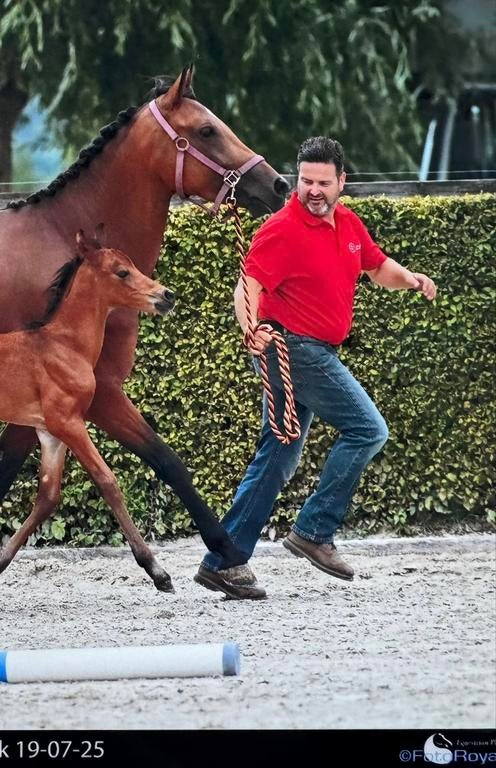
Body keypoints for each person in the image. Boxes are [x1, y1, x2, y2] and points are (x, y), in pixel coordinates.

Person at [194, 136, 438, 600]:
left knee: (277, 456)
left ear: (342, 182)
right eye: (306, 180)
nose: (313, 190)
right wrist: (251, 330)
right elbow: (248, 286)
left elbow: (376, 265)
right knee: (368, 429)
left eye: (323, 182)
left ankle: (223, 561)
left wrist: (410, 279)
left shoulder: (348, 224)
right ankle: (314, 531)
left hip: (309, 350)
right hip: (292, 350)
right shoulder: (282, 229)